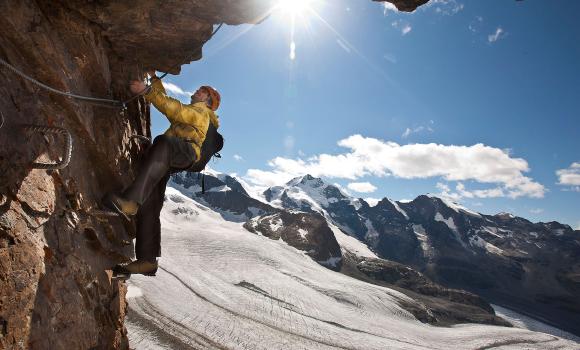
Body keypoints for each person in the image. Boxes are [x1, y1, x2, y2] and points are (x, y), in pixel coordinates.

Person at [108, 72, 221, 276]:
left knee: (164, 142)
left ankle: (131, 201)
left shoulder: (202, 112)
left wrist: (147, 91)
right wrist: (154, 81)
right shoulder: (194, 112)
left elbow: (175, 109)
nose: (198, 91)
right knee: (151, 202)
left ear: (208, 101)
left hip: (184, 151)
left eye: (203, 91)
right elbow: (171, 108)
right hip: (174, 157)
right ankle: (147, 260)